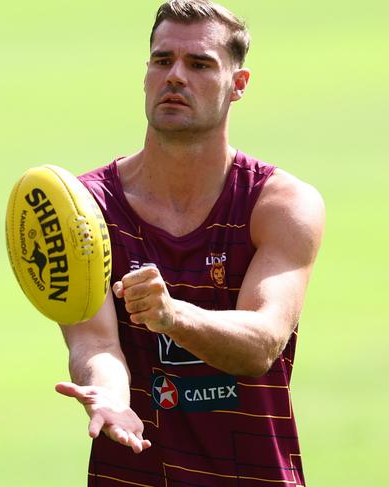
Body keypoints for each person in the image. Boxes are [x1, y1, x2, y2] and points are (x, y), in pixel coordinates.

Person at [55, 1, 325, 485]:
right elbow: (94, 343)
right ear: (145, 75)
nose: (175, 76)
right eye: (162, 61)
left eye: (199, 64)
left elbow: (261, 344)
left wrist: (169, 315)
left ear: (237, 85)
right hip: (132, 473)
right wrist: (110, 396)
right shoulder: (83, 208)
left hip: (253, 474)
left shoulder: (280, 204)